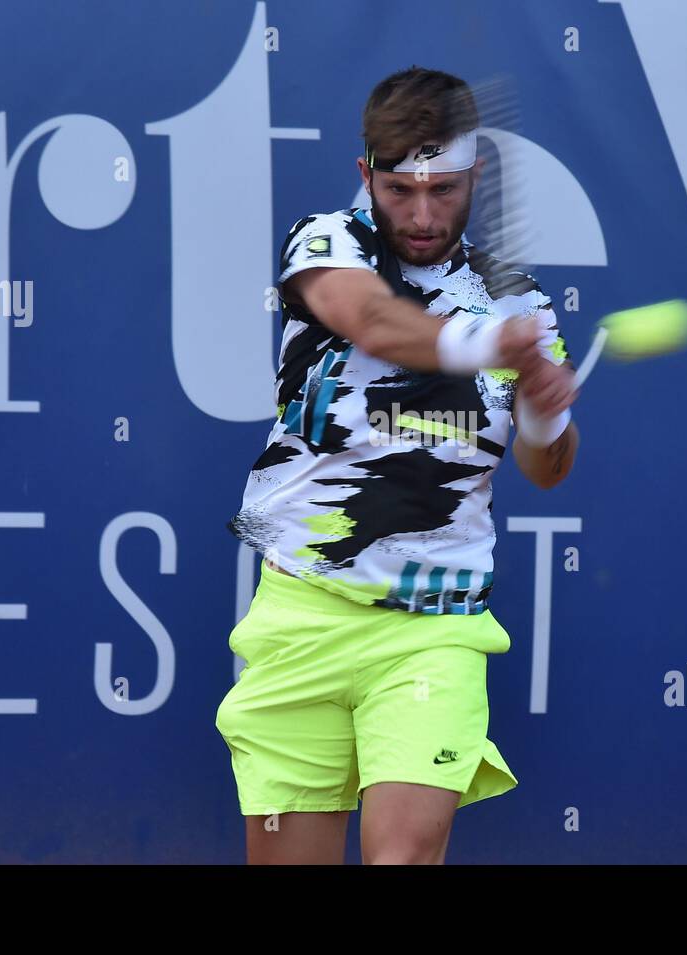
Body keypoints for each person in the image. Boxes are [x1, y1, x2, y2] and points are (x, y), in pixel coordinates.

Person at [216, 65, 580, 864]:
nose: (421, 214)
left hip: (435, 628)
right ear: (366, 175)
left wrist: (547, 406)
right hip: (301, 610)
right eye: (400, 188)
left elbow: (546, 466)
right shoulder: (328, 244)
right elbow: (371, 319)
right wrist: (488, 347)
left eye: (444, 190)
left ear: (474, 176)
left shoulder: (519, 299)